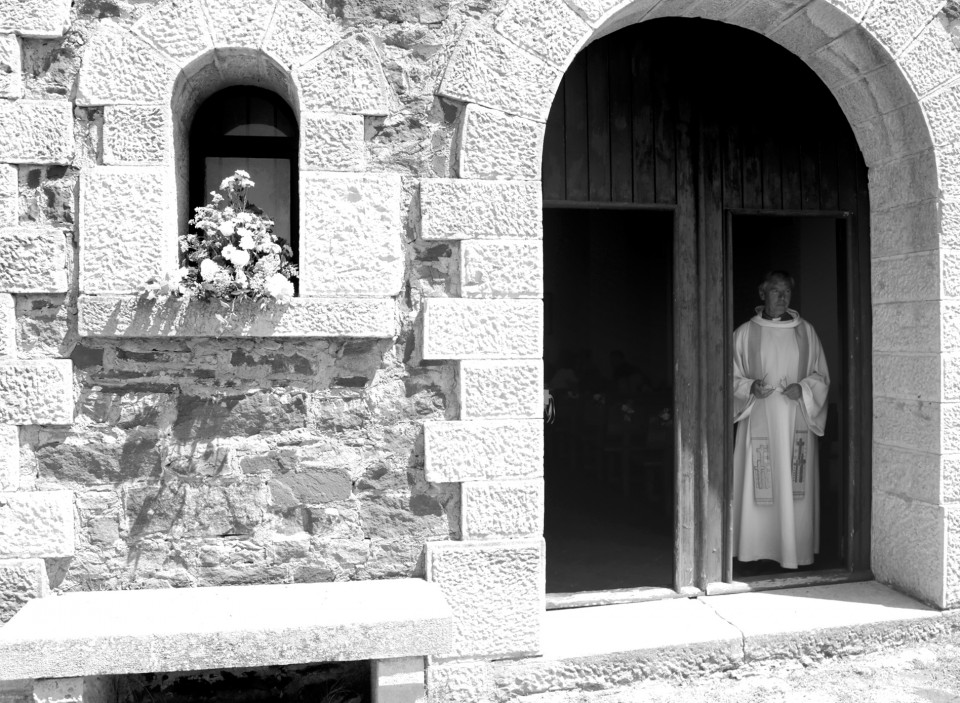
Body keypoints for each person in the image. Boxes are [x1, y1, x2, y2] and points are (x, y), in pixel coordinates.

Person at [732, 271, 829, 569]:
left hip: (795, 420)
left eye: (787, 291)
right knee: (757, 478)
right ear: (762, 293)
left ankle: (794, 550)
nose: (782, 296)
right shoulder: (745, 333)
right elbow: (729, 376)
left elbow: (821, 376)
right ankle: (752, 549)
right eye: (775, 290)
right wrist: (749, 388)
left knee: (793, 481)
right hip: (757, 420)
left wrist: (803, 388)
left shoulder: (806, 332)